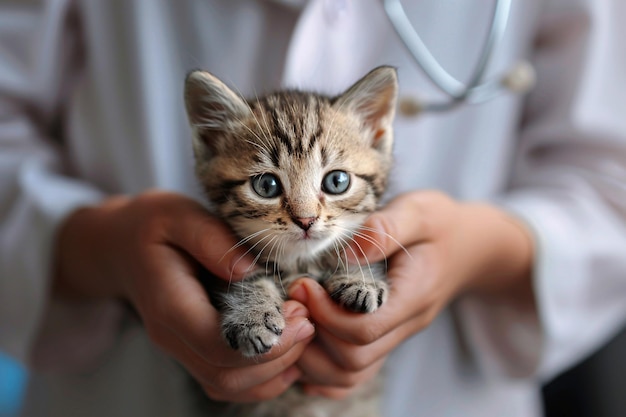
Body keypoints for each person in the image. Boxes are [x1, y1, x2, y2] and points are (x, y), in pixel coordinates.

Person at [1, 0, 626, 416]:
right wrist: (97, 248)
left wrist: (481, 249)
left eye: (330, 183)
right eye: (269, 187)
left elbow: (609, 175)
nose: (305, 216)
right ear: (210, 145)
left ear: (377, 133)